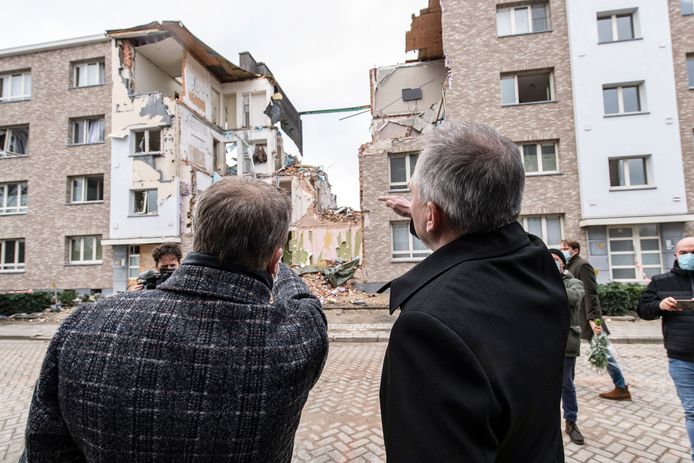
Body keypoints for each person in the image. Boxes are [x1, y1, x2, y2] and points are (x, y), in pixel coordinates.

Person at [20, 177, 329, 462]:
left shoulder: (84, 325)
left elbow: (44, 451)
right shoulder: (297, 339)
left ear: (197, 239)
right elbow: (304, 304)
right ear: (274, 259)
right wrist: (282, 270)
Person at [378, 121, 569, 462]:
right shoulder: (536, 265)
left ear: (433, 215)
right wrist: (422, 212)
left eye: (414, 192)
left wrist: (429, 214)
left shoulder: (428, 328)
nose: (412, 199)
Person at [637, 236, 694, 460]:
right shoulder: (662, 281)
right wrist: (660, 305)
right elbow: (643, 309)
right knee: (692, 411)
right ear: (676, 255)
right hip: (681, 357)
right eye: (685, 252)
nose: (690, 256)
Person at [560, 239, 631, 401]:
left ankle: (621, 387)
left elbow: (591, 294)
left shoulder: (583, 265)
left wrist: (594, 319)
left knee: (603, 351)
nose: (563, 250)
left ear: (575, 250)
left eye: (566, 248)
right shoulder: (569, 267)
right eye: (562, 248)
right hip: (577, 318)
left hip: (588, 318)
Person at [549, 248, 585, 446]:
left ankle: (571, 422)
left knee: (566, 385)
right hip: (542, 343)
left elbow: (572, 297)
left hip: (565, 343)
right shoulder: (539, 281)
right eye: (549, 260)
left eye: (556, 259)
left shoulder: (574, 283)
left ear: (563, 263)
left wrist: (545, 285)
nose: (553, 262)